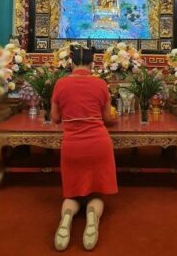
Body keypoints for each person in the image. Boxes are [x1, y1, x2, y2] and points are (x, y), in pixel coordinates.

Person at [50, 45, 118, 251]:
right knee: (96, 195)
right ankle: (91, 219)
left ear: (70, 63)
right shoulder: (100, 84)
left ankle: (66, 221)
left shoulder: (60, 84)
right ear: (92, 63)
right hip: (98, 143)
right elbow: (107, 118)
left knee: (71, 195)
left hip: (72, 145)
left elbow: (55, 118)